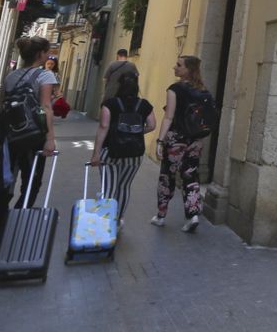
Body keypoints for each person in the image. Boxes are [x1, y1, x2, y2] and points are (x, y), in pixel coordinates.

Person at [0, 36, 59, 252]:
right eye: (47, 52)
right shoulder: (45, 75)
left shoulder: (11, 76)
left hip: (9, 137)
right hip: (33, 137)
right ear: (40, 54)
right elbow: (45, 107)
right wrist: (50, 138)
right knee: (32, 183)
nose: (48, 56)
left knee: (4, 184)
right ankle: (16, 226)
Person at [153, 55, 212, 233]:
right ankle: (193, 215)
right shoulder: (203, 91)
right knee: (190, 175)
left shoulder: (175, 89)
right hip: (195, 140)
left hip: (175, 140)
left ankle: (161, 215)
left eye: (179, 65)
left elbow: (168, 117)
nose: (175, 67)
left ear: (188, 69)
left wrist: (160, 140)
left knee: (167, 176)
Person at [88, 72, 155, 222]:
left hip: (111, 152)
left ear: (119, 85)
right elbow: (152, 125)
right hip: (134, 154)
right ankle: (118, 220)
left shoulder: (110, 104)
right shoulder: (144, 105)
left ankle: (106, 222)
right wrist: (136, 132)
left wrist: (96, 153)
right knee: (124, 186)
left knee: (109, 187)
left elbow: (103, 126)